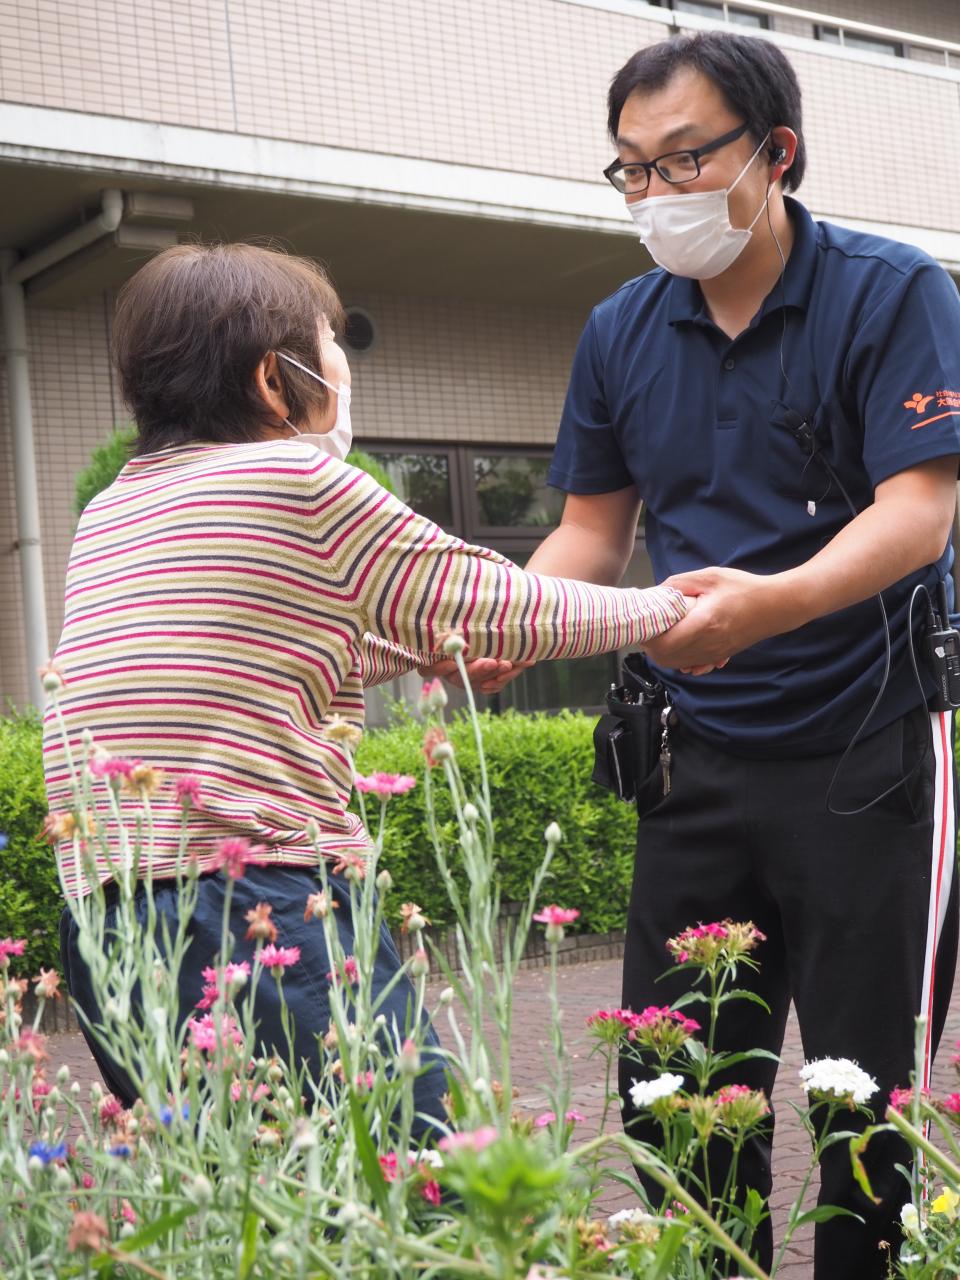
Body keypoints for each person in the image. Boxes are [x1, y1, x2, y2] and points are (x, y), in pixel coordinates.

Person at [433, 29, 960, 1276]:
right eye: (631, 170)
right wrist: (508, 619)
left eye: (684, 161)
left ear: (774, 154)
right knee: (674, 1087)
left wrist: (763, 606)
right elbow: (588, 532)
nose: (656, 195)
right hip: (692, 755)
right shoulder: (620, 328)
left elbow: (921, 511)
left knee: (861, 1097)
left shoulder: (893, 293)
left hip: (870, 747)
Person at [42, 242, 689, 1141]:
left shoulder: (112, 508)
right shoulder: (297, 478)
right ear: (277, 380)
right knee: (412, 1178)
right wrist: (658, 609)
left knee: (253, 1199)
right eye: (334, 348)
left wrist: (432, 651)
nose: (345, 375)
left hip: (105, 923)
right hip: (258, 907)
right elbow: (492, 598)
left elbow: (261, 645)